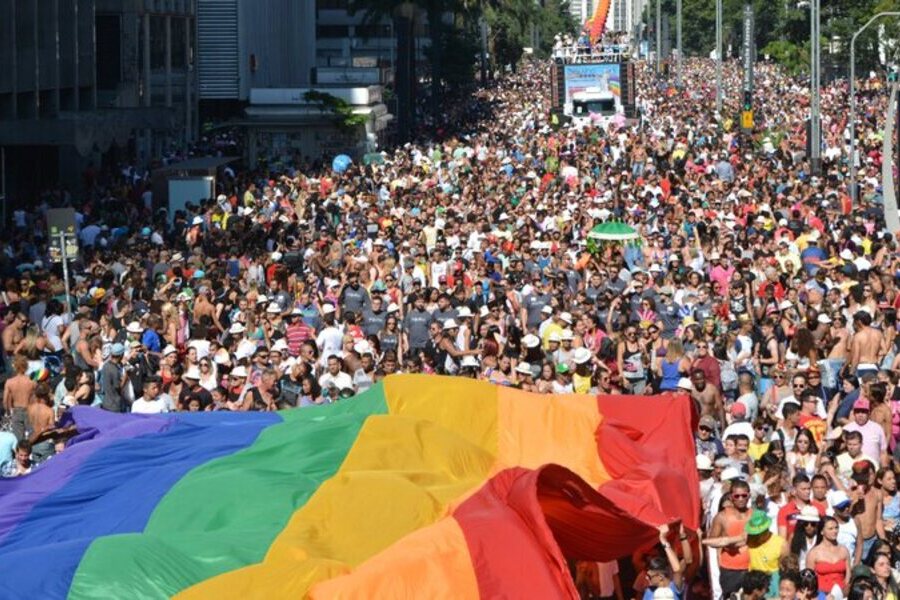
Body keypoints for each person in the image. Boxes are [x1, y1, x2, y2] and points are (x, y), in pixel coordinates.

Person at [705, 479, 753, 597]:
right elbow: (711, 541)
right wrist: (729, 542)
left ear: (749, 496)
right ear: (731, 497)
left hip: (752, 566)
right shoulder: (721, 517)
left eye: (744, 495)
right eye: (737, 496)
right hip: (730, 569)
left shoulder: (755, 515)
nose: (740, 499)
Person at [805, 516, 850, 595]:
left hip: (842, 593)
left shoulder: (844, 550)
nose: (835, 531)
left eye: (836, 528)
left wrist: (844, 592)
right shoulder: (814, 553)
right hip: (821, 594)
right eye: (830, 529)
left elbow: (848, 575)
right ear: (822, 531)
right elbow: (809, 579)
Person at [3, 354, 35, 441]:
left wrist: (8, 412)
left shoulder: (9, 382)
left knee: (19, 440)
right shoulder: (31, 381)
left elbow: (5, 401)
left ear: (15, 367)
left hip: (16, 410)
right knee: (32, 437)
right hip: (29, 410)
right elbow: (34, 399)